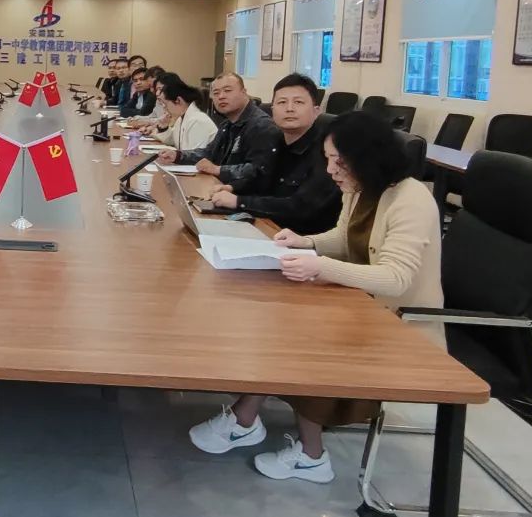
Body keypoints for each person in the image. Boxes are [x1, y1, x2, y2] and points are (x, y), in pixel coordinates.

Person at [188, 110, 442, 485]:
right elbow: (344, 236)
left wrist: (319, 266)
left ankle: (311, 456)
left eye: (339, 160)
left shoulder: (410, 199)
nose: (331, 170)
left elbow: (396, 278)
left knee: (308, 344)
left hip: (400, 323)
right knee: (283, 320)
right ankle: (245, 418)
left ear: (368, 157)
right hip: (361, 302)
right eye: (328, 159)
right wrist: (305, 242)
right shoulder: (362, 187)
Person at [209, 74, 341, 235]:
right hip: (267, 228)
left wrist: (239, 201)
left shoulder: (327, 154)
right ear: (272, 111)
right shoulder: (275, 141)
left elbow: (300, 207)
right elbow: (260, 175)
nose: (289, 109)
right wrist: (231, 187)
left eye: (298, 102)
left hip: (301, 239)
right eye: (282, 102)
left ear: (316, 111)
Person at [157, 72, 280, 193]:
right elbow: (210, 153)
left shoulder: (261, 126)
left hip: (241, 197)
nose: (221, 96)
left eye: (227, 91)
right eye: (216, 93)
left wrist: (218, 169)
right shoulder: (227, 124)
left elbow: (257, 170)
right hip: (221, 190)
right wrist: (178, 156)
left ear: (244, 92)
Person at [148, 78, 217, 153]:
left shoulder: (197, 120)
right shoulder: (181, 118)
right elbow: (173, 140)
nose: (164, 107)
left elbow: (194, 156)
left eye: (165, 103)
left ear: (178, 100)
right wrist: (163, 128)